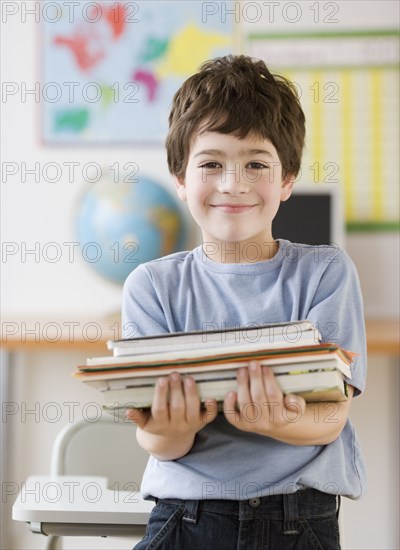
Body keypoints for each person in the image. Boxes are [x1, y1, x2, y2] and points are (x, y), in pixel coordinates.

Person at [123, 55, 367, 550]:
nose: (233, 184)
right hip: (184, 518)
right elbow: (156, 440)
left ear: (286, 180)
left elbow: (330, 417)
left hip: (297, 518)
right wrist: (174, 428)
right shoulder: (150, 285)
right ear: (180, 178)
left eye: (256, 164)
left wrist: (277, 421)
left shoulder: (326, 272)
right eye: (211, 163)